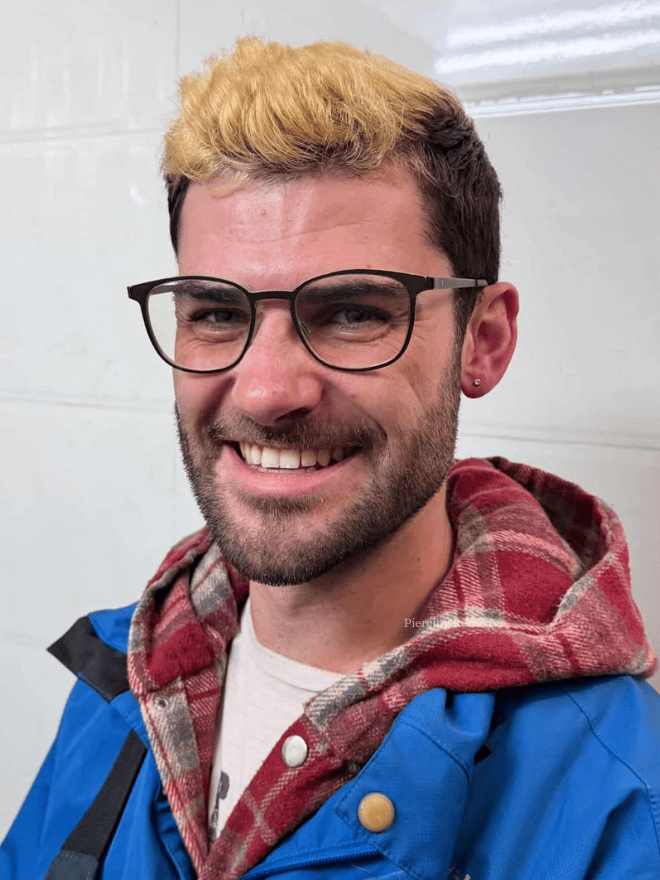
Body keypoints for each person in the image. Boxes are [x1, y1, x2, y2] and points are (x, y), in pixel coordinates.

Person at [2, 36, 659, 880]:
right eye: (214, 313)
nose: (267, 390)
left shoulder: (618, 803)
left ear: (482, 342)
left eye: (351, 312)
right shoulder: (122, 684)